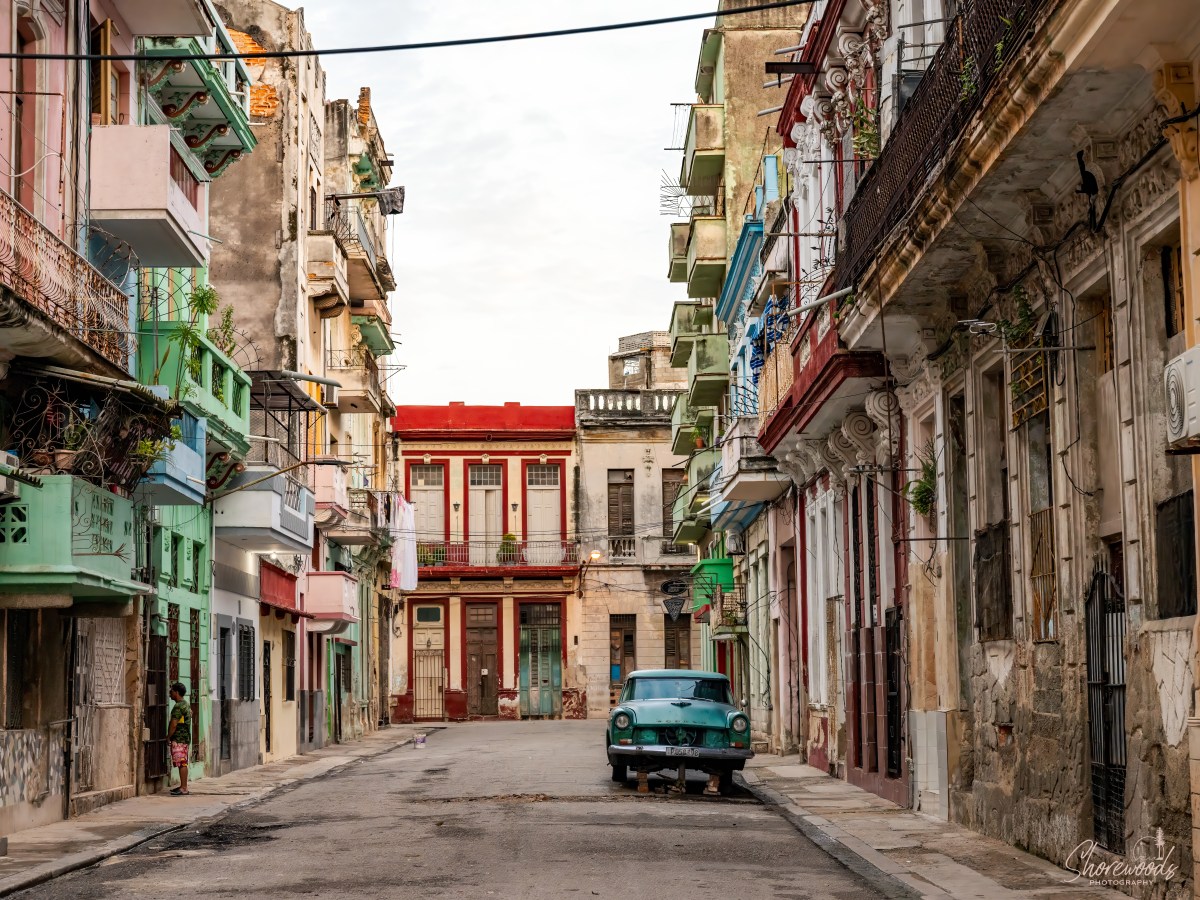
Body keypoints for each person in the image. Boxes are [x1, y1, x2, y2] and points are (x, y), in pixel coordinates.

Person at [167, 682, 191, 796]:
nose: (170, 693)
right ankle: (183, 786)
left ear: (176, 692)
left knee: (182, 763)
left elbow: (174, 724)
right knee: (182, 762)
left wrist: (169, 737)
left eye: (171, 691)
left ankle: (184, 788)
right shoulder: (185, 704)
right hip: (184, 738)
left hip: (179, 739)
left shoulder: (178, 707)